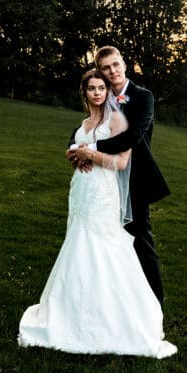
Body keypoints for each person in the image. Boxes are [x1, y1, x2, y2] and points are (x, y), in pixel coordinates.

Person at [18, 69, 176, 358]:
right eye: (92, 88)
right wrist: (74, 157)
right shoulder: (82, 125)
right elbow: (73, 151)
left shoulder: (116, 120)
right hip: (81, 190)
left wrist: (90, 154)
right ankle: (71, 308)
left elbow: (122, 161)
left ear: (108, 92)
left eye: (102, 88)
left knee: (102, 245)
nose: (97, 93)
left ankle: (114, 315)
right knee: (77, 244)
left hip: (103, 192)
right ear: (85, 93)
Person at [69, 46, 170, 306]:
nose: (112, 70)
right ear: (100, 71)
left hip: (135, 179)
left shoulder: (142, 96)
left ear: (124, 64)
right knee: (105, 241)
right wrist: (74, 148)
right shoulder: (102, 94)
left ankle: (155, 304)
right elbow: (88, 125)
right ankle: (113, 299)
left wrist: (89, 151)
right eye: (106, 67)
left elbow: (131, 137)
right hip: (104, 182)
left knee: (140, 241)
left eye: (115, 64)